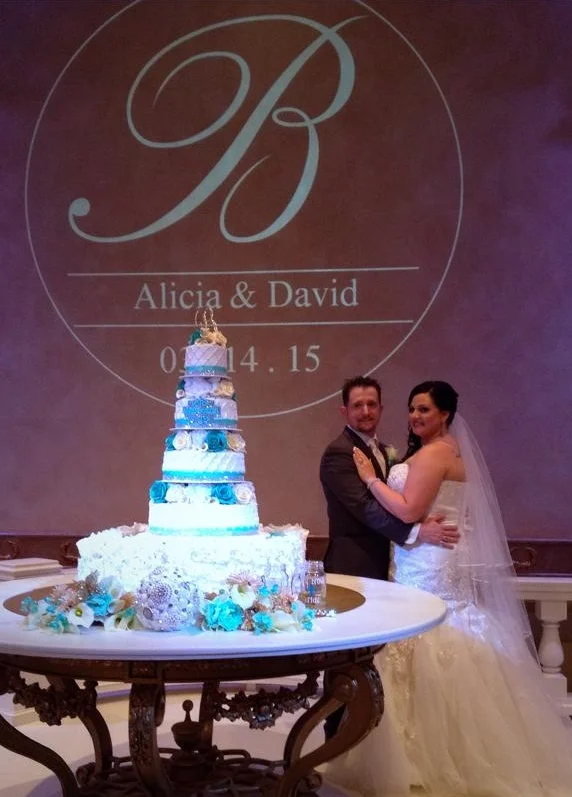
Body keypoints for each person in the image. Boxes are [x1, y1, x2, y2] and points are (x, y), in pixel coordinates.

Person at [325, 380, 572, 797]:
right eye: (412, 408)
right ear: (345, 409)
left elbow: (408, 510)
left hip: (427, 559)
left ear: (445, 415)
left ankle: (427, 754)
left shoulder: (435, 453)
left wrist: (370, 479)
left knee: (429, 638)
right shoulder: (439, 451)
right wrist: (416, 528)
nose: (415, 416)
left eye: (424, 409)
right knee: (436, 634)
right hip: (425, 554)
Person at [320, 376, 459, 582]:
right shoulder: (340, 452)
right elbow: (366, 507)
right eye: (358, 405)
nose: (366, 412)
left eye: (372, 404)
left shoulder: (386, 450)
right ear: (344, 411)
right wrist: (417, 531)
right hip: (356, 563)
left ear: (381, 408)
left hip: (394, 558)